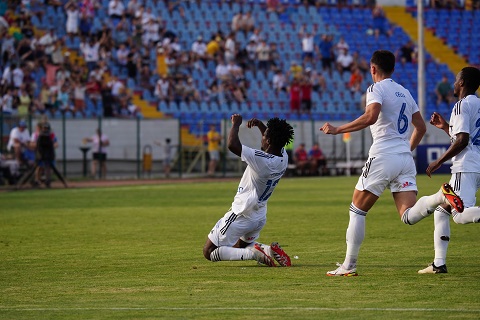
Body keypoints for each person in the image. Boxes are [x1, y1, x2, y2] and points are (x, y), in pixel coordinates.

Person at [319, 50, 462, 276]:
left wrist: (338, 129)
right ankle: (439, 197)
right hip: (405, 158)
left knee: (357, 210)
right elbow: (421, 128)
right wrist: (405, 150)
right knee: (408, 215)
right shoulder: (405, 92)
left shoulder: (375, 88)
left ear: (373, 69)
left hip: (383, 153)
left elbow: (371, 117)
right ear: (393, 69)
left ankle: (349, 265)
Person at [203, 114, 294, 267]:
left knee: (209, 251)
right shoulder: (283, 157)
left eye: (264, 136)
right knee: (240, 246)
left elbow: (232, 145)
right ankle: (268, 250)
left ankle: (253, 253)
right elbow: (273, 139)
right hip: (259, 215)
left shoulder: (261, 160)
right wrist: (260, 126)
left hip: (242, 212)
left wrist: (236, 124)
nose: (262, 138)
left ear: (269, 140)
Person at [417, 67, 480, 274]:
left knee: (459, 215)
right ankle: (438, 263)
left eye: (455, 80)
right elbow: (464, 136)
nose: (453, 84)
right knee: (442, 209)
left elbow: (462, 141)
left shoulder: (462, 105)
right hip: (476, 164)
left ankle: (438, 263)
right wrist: (446, 127)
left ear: (462, 83)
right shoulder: (478, 104)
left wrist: (439, 161)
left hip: (466, 166)